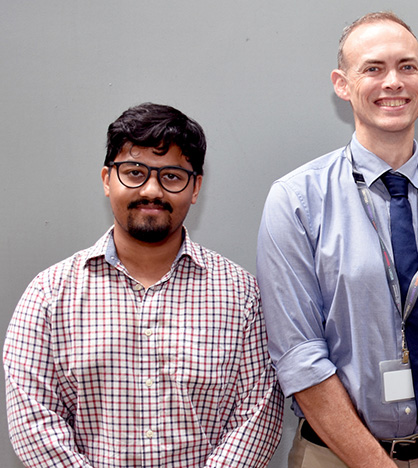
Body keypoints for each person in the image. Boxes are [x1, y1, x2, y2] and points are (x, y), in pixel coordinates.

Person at [256, 11, 418, 468]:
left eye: (407, 66)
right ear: (342, 84)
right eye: (373, 68)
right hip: (335, 456)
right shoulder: (296, 201)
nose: (394, 81)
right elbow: (299, 355)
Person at [4, 103, 285, 467]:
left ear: (195, 187)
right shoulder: (49, 296)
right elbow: (34, 425)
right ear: (107, 179)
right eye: (134, 172)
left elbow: (256, 419)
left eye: (171, 176)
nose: (152, 190)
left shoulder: (242, 297)